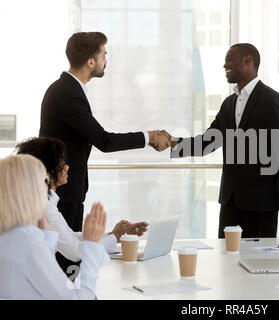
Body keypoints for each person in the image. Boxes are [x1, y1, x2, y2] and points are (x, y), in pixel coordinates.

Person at [39, 32, 169, 273]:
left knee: (70, 256)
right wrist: (149, 137)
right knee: (66, 262)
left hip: (68, 189)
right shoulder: (67, 93)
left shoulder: (69, 90)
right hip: (63, 192)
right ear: (91, 61)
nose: (105, 60)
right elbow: (104, 141)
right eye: (103, 55)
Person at [166, 43, 279, 238]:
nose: (224, 65)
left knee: (257, 260)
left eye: (230, 60)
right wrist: (172, 143)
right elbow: (208, 142)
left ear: (248, 61)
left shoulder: (271, 100)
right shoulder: (229, 104)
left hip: (261, 203)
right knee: (226, 259)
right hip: (231, 202)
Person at [15, 137, 148, 264]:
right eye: (62, 162)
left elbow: (70, 237)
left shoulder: (45, 201)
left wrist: (113, 235)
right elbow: (75, 252)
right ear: (47, 170)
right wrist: (115, 237)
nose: (67, 167)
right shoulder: (43, 207)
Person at [0, 154, 109, 299]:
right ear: (30, 190)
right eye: (44, 181)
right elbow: (79, 297)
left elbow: (34, 280)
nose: (48, 187)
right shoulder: (29, 242)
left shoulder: (8, 234)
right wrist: (92, 245)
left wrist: (47, 239)